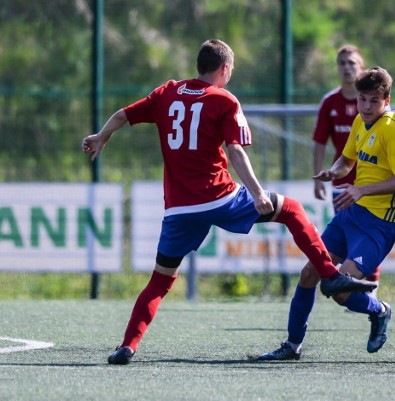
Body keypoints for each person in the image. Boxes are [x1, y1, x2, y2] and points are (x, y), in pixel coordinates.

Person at [81, 39, 376, 365]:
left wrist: (100, 137)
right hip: (219, 197)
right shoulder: (224, 100)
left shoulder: (167, 92)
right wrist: (258, 193)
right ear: (224, 69)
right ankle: (329, 274)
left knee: (160, 281)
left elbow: (123, 115)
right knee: (292, 209)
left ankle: (127, 345)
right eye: (231, 70)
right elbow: (235, 151)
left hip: (179, 209)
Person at [257, 67, 395, 361]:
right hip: (350, 215)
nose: (365, 107)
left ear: (387, 99)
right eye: (361, 99)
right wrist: (334, 171)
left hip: (378, 227)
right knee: (309, 273)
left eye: (373, 101)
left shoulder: (391, 130)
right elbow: (347, 159)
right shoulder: (360, 120)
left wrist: (362, 190)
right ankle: (292, 346)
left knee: (337, 289)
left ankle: (380, 310)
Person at [312, 44, 382, 294]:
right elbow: (319, 141)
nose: (346, 68)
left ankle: (370, 290)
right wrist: (319, 177)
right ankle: (353, 286)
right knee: (350, 235)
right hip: (342, 184)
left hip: (371, 184)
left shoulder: (377, 106)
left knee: (368, 236)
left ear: (361, 67)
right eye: (342, 63)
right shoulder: (330, 101)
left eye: (351, 63)